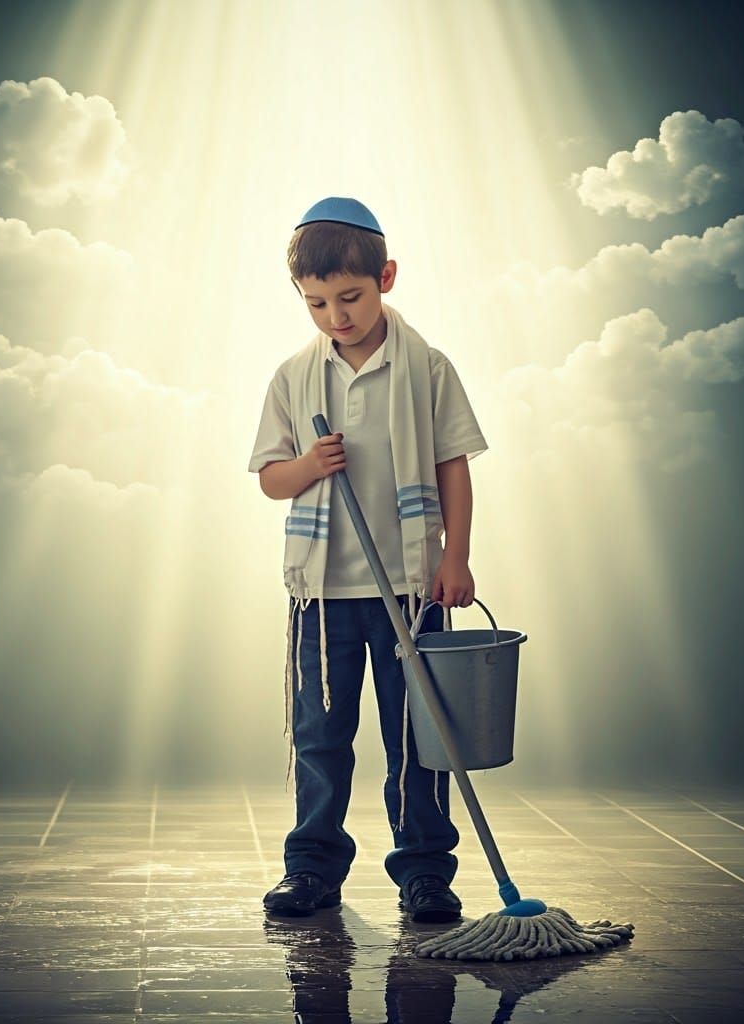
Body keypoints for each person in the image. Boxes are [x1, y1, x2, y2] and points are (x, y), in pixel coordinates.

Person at [248, 196, 488, 922]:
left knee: (418, 740)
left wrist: (455, 556)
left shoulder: (427, 368)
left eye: (349, 297)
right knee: (322, 739)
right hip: (323, 595)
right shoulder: (294, 377)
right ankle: (312, 869)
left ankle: (425, 873)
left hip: (412, 587)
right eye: (316, 303)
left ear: (385, 276)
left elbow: (453, 465)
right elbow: (270, 480)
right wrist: (311, 467)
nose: (335, 317)